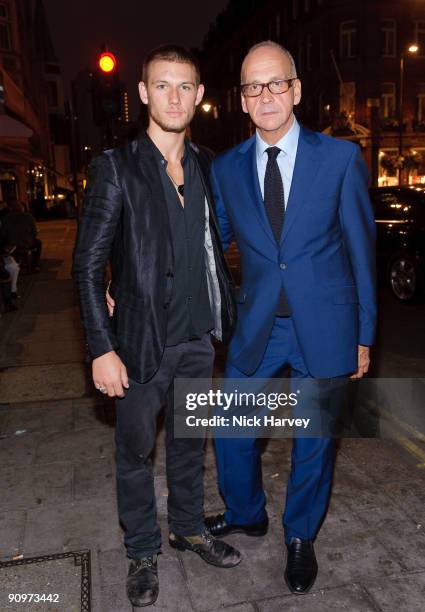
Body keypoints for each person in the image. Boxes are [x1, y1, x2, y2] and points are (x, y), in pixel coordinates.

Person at [205, 41, 376, 595]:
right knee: (230, 431)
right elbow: (212, 243)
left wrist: (365, 333)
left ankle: (300, 535)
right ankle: (248, 512)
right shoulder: (227, 168)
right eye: (254, 87)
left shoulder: (340, 159)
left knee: (314, 442)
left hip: (325, 327)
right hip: (260, 327)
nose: (266, 95)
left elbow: (360, 249)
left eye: (276, 83)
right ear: (243, 100)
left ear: (296, 90)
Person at [72, 45, 240, 609]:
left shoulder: (209, 165)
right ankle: (142, 548)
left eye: (185, 86)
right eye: (162, 85)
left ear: (199, 95)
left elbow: (219, 243)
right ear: (143, 93)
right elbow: (88, 263)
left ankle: (188, 528)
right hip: (140, 345)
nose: (175, 96)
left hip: (198, 339)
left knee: (191, 444)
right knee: (135, 452)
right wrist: (100, 347)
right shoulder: (116, 168)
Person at [0, 202, 42, 271]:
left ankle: (18, 263)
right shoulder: (29, 217)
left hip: (11, 244)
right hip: (27, 243)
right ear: (22, 209)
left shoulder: (6, 218)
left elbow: (3, 233)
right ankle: (34, 265)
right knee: (38, 243)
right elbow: (34, 232)